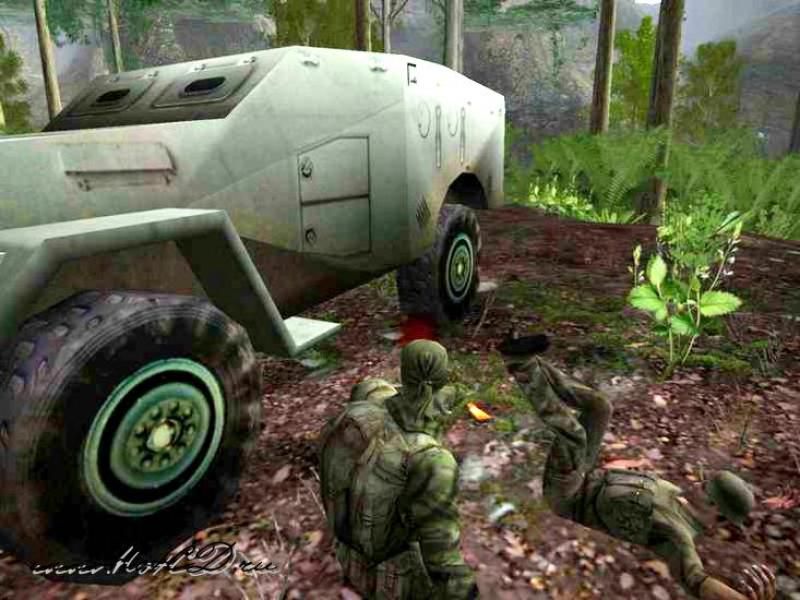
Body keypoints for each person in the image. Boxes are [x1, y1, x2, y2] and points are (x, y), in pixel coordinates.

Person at [498, 335, 777, 600]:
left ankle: (520, 365)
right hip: (586, 473)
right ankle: (530, 360)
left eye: (704, 487)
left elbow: (698, 582)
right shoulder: (676, 494)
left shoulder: (677, 535)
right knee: (601, 407)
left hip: (568, 496)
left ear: (714, 508)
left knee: (574, 436)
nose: (696, 482)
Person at [318, 339, 478, 599]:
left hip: (346, 554)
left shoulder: (357, 410)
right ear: (441, 379)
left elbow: (371, 388)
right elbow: (443, 563)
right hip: (393, 581)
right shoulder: (431, 460)